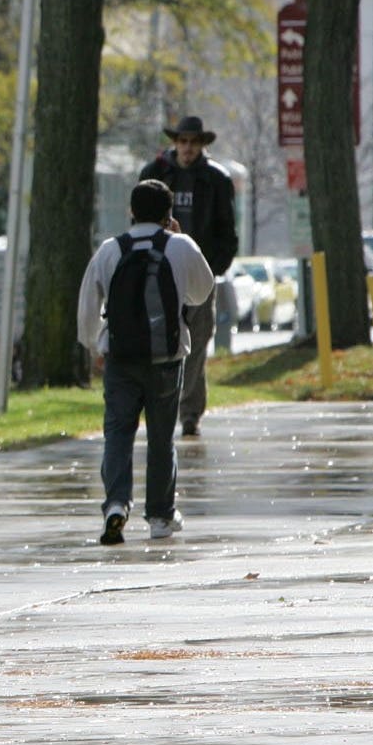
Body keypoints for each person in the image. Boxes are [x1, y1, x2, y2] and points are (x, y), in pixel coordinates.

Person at [77, 180, 217, 545]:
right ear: (169, 214)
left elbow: (88, 307)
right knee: (160, 437)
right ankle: (160, 516)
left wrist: (93, 345)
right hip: (167, 359)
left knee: (118, 433)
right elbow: (202, 291)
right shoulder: (180, 246)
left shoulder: (110, 250)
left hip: (120, 359)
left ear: (131, 212)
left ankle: (116, 505)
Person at [138, 115, 238, 437]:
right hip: (159, 273)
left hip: (198, 273)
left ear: (202, 145)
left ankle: (190, 411)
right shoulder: (153, 175)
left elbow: (227, 232)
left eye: (194, 142)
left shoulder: (217, 180)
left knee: (197, 340)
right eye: (182, 141)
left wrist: (213, 268)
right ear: (175, 143)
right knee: (158, 341)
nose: (187, 148)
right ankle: (162, 405)